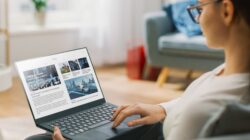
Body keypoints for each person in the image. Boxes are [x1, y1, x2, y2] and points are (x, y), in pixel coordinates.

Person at [27, 0, 250, 139]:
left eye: (199, 7)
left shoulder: (204, 112)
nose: (198, 17)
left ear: (227, 11)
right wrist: (161, 109)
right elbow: (194, 101)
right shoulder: (228, 71)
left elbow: (197, 109)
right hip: (162, 125)